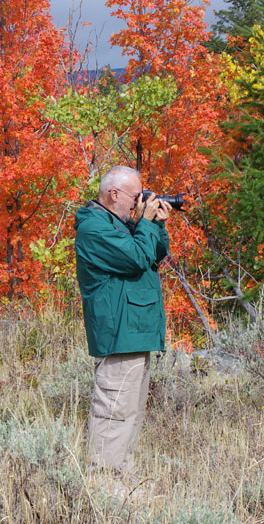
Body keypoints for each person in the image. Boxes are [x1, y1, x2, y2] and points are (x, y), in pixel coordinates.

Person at [74, 165, 172, 475]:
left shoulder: (123, 225)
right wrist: (144, 223)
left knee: (130, 414)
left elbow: (154, 256)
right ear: (113, 194)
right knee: (113, 414)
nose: (138, 201)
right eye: (135, 195)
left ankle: (121, 481)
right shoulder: (94, 229)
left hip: (135, 333)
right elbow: (134, 259)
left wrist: (157, 225)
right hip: (118, 334)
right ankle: (102, 484)